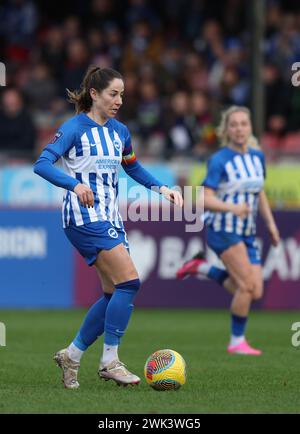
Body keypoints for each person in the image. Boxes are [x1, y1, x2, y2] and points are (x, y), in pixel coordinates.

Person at [34, 66, 183, 389]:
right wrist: (74, 185)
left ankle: (72, 355)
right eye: (113, 94)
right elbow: (42, 164)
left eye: (122, 95)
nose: (119, 101)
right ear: (95, 94)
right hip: (83, 216)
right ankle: (109, 361)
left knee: (113, 292)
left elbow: (133, 167)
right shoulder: (74, 129)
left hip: (110, 217)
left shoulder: (120, 132)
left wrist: (162, 188)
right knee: (129, 282)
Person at [176, 105, 280, 356]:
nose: (239, 129)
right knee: (245, 286)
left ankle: (199, 267)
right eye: (234, 125)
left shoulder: (257, 157)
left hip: (246, 230)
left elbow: (259, 192)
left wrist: (271, 225)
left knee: (255, 290)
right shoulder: (220, 159)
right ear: (226, 130)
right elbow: (201, 198)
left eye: (244, 124)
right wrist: (231, 208)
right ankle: (236, 341)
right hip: (223, 228)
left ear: (250, 127)